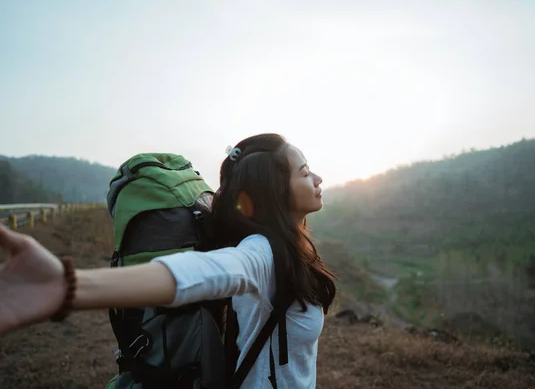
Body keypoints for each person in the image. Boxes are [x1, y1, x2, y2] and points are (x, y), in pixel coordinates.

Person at [0, 133, 337, 389]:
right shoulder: (262, 253)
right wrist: (71, 286)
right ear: (275, 188)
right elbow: (205, 273)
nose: (318, 179)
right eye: (305, 172)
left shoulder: (292, 248)